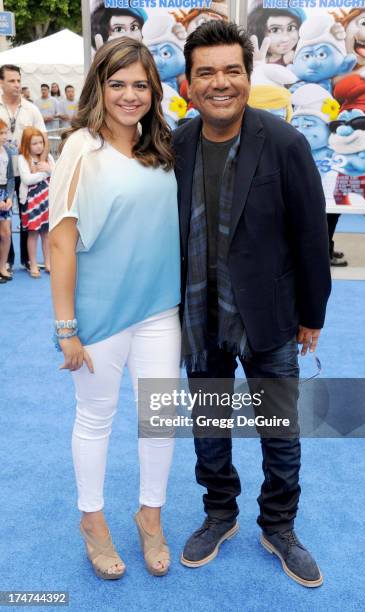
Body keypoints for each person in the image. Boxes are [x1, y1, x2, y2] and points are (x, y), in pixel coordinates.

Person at [173, 21, 331, 587]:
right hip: (200, 315)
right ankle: (219, 515)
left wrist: (312, 313)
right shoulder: (179, 145)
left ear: (248, 74)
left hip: (269, 313)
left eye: (232, 71)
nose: (221, 83)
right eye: (207, 72)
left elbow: (313, 235)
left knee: (279, 428)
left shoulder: (284, 142)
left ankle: (279, 526)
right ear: (189, 83)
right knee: (209, 427)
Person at [49, 37, 180, 579]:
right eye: (118, 83)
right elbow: (61, 239)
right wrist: (66, 328)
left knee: (160, 419)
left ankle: (150, 516)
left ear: (154, 90)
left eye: (141, 85)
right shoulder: (81, 146)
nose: (130, 95)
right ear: (99, 87)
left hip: (159, 310)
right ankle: (93, 522)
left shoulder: (163, 147)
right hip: (99, 312)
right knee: (96, 419)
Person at [0, 64, 47, 271]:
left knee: (30, 218)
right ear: (1, 83)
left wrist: (41, 164)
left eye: (18, 80)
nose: (17, 84)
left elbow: (43, 136)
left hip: (28, 173)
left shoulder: (32, 109)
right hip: (2, 176)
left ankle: (29, 260)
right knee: (4, 220)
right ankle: (6, 261)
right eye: (11, 80)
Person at [18, 127, 54, 277]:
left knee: (46, 233)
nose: (39, 146)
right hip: (31, 201)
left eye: (41, 142)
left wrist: (47, 170)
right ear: (27, 145)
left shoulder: (48, 157)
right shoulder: (22, 159)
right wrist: (44, 172)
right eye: (35, 143)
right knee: (33, 234)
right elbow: (27, 179)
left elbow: (57, 172)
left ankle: (48, 262)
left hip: (47, 199)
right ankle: (33, 263)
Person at [0, 119, 15, 283]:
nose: (4, 136)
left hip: (5, 193)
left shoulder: (9, 152)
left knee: (6, 233)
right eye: (1, 133)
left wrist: (9, 197)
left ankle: (2, 266)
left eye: (5, 133)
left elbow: (11, 177)